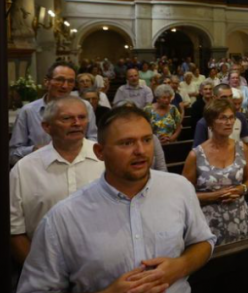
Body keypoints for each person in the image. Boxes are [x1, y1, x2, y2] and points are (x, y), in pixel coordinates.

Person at [17, 105, 216, 293]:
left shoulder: (179, 188)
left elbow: (203, 241)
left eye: (147, 140)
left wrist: (181, 266)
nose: (140, 150)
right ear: (100, 152)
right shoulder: (64, 217)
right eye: (127, 143)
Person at [10, 97, 104, 265]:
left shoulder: (106, 158)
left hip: (102, 263)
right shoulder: (24, 169)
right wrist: (38, 271)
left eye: (82, 117)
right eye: (67, 118)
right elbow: (14, 230)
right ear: (47, 127)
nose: (77, 123)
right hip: (45, 264)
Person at [183, 99, 248, 245]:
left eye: (231, 118)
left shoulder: (242, 148)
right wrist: (214, 196)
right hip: (209, 220)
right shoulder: (196, 155)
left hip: (239, 216)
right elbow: (184, 195)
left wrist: (241, 189)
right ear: (210, 122)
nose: (228, 122)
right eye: (222, 118)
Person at [10, 61, 98, 165]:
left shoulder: (85, 107)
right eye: (60, 80)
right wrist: (34, 150)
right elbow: (13, 153)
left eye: (70, 81)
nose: (65, 86)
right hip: (40, 168)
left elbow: (93, 140)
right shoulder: (28, 111)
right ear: (47, 82)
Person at [192, 84, 248, 152]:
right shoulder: (204, 122)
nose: (228, 100)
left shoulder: (240, 117)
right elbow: (197, 151)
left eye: (230, 96)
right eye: (224, 97)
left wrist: (241, 157)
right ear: (214, 98)